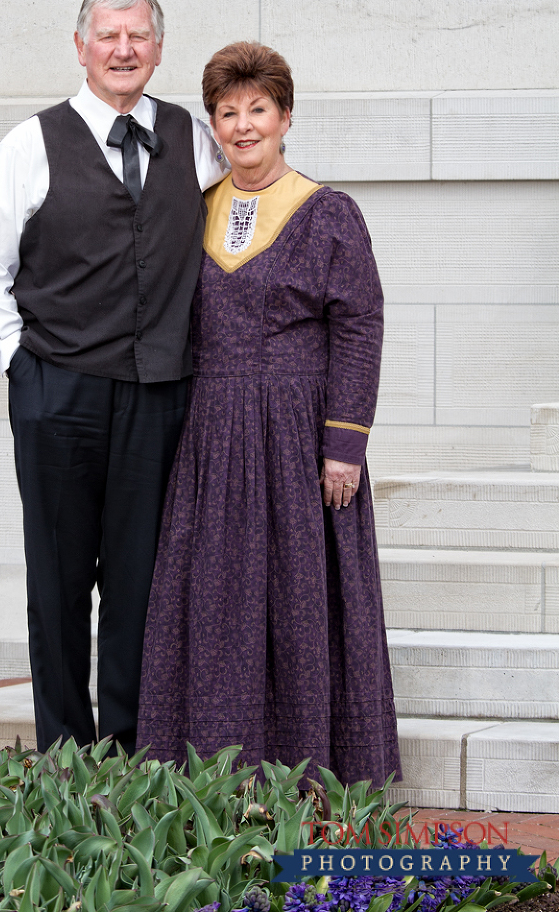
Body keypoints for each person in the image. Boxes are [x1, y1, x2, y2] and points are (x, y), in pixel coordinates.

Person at [0, 0, 225, 754]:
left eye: (137, 36)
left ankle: (135, 755)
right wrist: (22, 368)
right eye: (108, 36)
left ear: (158, 48)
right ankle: (66, 758)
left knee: (142, 584)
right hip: (59, 391)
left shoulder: (194, 139)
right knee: (60, 580)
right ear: (81, 47)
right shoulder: (30, 144)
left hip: (160, 394)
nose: (123, 50)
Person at [137, 42, 401, 784]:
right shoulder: (191, 214)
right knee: (215, 602)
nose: (244, 126)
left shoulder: (329, 214)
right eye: (228, 113)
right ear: (213, 125)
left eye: (258, 110)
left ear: (285, 117)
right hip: (213, 431)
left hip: (297, 434)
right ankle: (216, 775)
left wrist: (343, 442)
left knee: (297, 601)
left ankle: (309, 776)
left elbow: (360, 325)